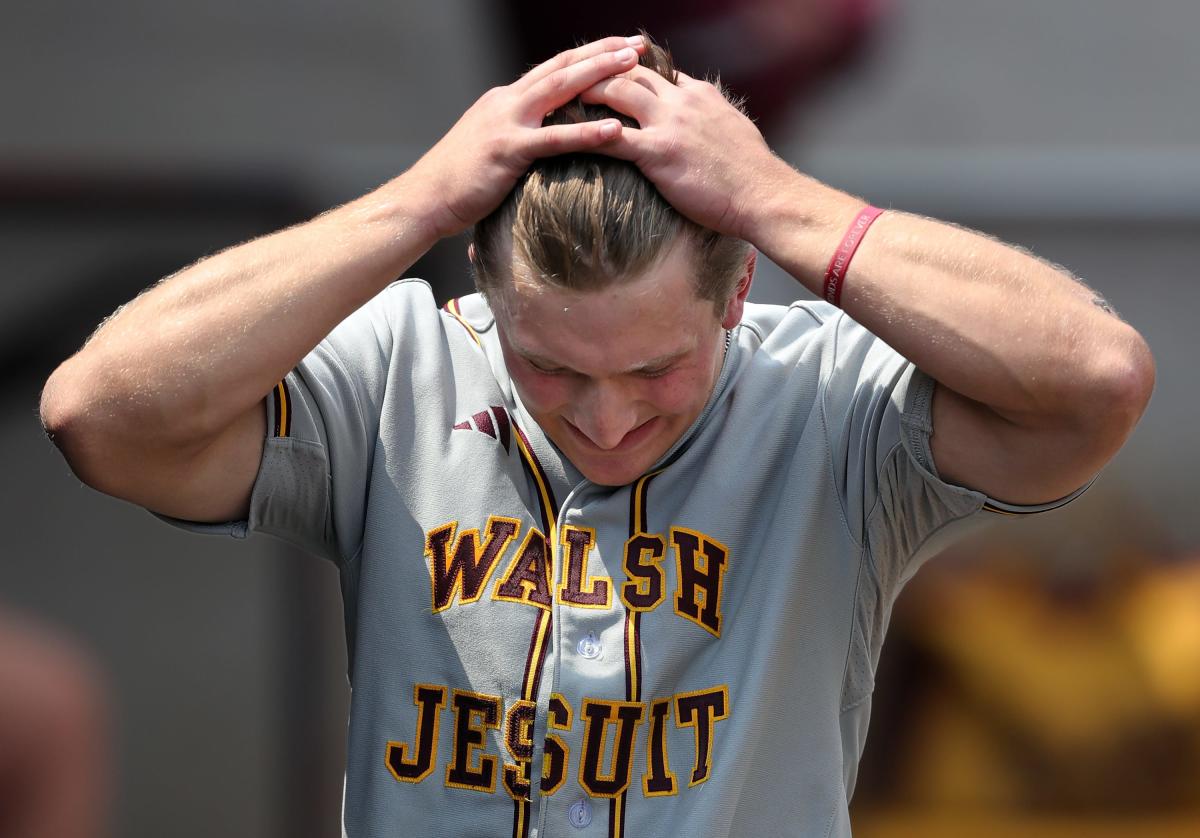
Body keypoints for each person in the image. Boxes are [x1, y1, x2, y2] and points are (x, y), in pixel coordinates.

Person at [40, 34, 1153, 838]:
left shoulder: (826, 397)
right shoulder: (399, 370)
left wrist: (778, 195)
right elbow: (103, 419)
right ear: (481, 283)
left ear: (738, 291)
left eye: (658, 368)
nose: (608, 416)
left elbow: (1094, 383)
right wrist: (414, 202)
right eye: (552, 365)